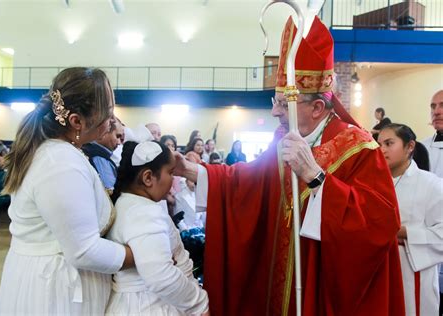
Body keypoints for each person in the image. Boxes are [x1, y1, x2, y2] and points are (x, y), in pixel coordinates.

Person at [173, 16, 404, 315]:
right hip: (278, 285)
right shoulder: (285, 138)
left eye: (284, 103)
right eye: (275, 100)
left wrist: (316, 177)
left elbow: (380, 224)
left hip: (324, 288)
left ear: (318, 107)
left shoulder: (359, 149)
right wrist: (190, 170)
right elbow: (247, 182)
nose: (273, 111)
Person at [0, 68, 134, 315]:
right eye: (108, 114)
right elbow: (83, 250)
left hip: (53, 280)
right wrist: (141, 255)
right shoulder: (59, 163)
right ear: (76, 121)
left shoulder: (63, 152)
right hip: (54, 292)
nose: (112, 121)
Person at [105, 140, 209, 316]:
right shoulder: (145, 213)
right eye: (170, 172)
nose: (174, 178)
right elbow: (161, 277)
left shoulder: (128, 202)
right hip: (149, 305)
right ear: (148, 178)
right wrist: (199, 304)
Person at [378, 123, 443, 315]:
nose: (382, 150)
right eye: (379, 144)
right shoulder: (372, 183)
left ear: (410, 146)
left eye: (389, 143)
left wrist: (406, 233)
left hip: (412, 270)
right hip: (379, 269)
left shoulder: (431, 184)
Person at [421, 89, 443, 315]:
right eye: (433, 106)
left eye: (442, 105)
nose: (437, 112)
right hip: (426, 233)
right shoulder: (420, 147)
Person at [82, 117, 124, 192]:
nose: (119, 142)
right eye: (117, 136)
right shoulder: (99, 158)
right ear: (105, 132)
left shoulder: (86, 149)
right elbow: (110, 192)